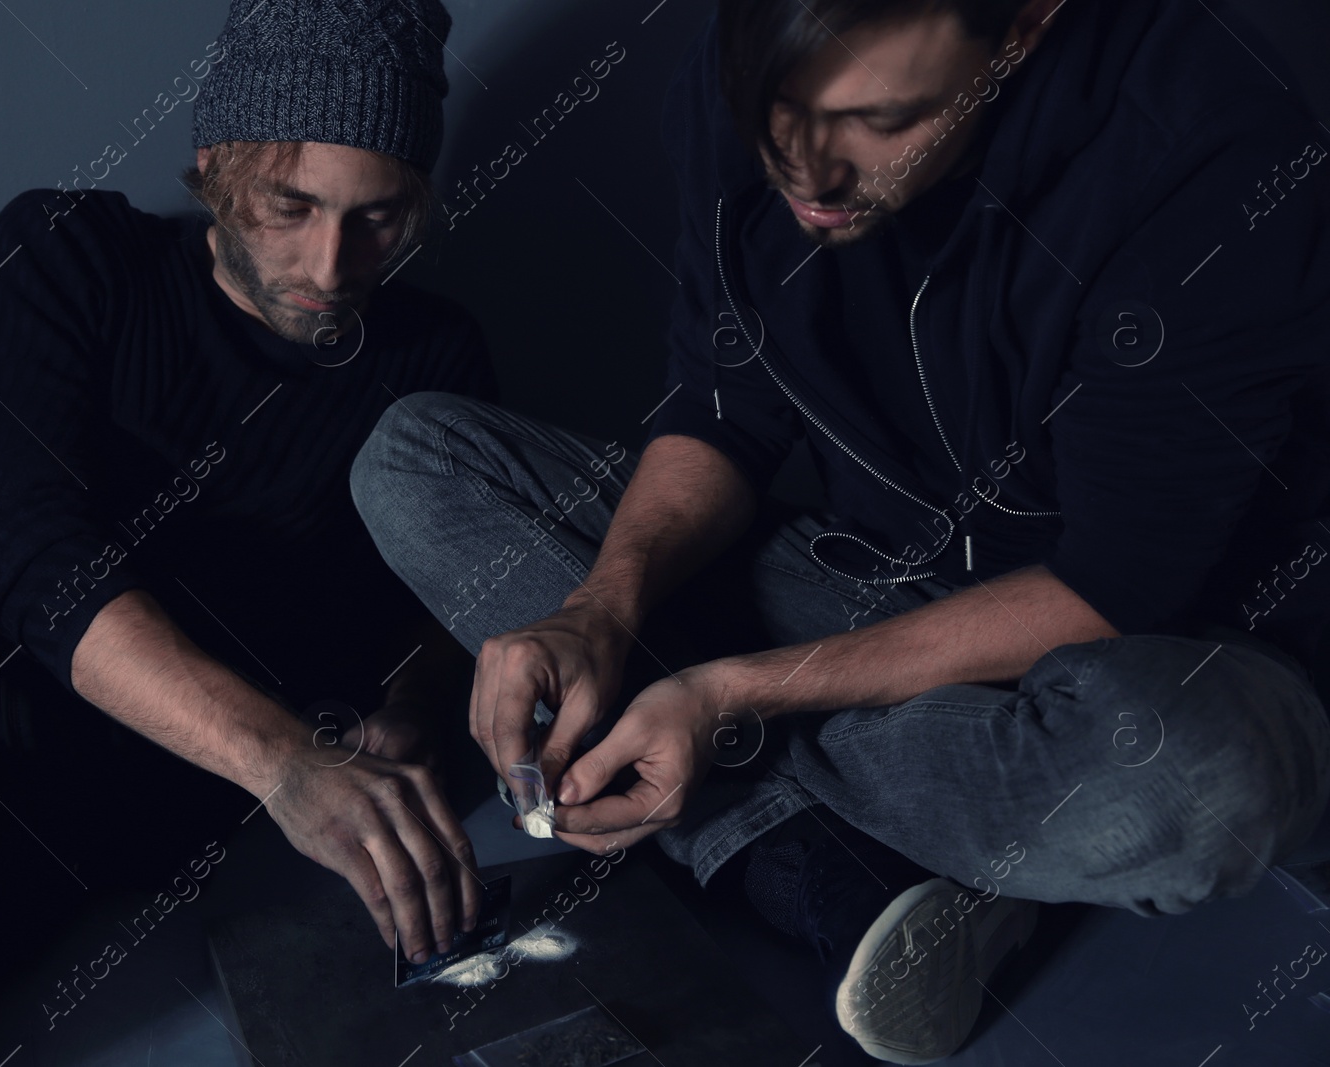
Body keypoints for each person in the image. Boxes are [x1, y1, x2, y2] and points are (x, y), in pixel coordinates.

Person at [351, 0, 1330, 1060]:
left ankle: (793, 846)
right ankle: (907, 840)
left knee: (1195, 780)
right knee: (412, 460)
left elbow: (1112, 584)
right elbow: (727, 406)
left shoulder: (1211, 145)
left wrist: (724, 691)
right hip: (865, 587)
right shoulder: (744, 89)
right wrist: (598, 610)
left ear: (1024, 26)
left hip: (1161, 652)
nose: (808, 174)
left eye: (882, 119)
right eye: (778, 112)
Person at [0, 0, 490, 1058]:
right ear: (218, 162)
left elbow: (440, 595)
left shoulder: (428, 360)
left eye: (377, 217)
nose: (330, 262)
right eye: (291, 204)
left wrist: (407, 712)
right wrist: (277, 757)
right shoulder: (71, 250)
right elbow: (18, 532)